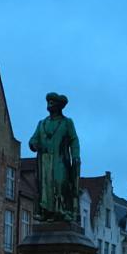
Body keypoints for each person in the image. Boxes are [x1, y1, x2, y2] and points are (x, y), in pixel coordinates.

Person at [28, 92, 81, 222]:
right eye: (48, 101)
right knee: (45, 186)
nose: (49, 104)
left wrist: (75, 156)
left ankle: (61, 211)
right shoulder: (42, 124)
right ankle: (46, 212)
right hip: (44, 161)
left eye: (53, 102)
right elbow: (33, 139)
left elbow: (74, 140)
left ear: (59, 106)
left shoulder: (66, 123)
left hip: (60, 159)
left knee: (60, 183)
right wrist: (34, 144)